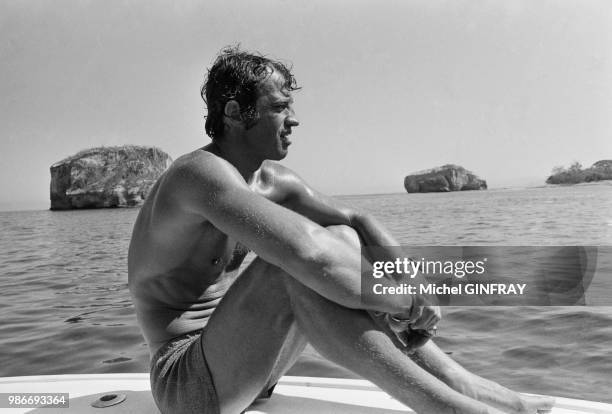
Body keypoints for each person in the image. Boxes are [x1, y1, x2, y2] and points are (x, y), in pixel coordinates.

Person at [128, 46, 554, 414]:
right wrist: (405, 302)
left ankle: (461, 384)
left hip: (252, 365)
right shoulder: (198, 176)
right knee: (294, 266)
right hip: (186, 385)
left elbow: (356, 222)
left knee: (343, 241)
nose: (293, 120)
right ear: (236, 113)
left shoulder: (272, 181)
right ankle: (448, 406)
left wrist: (414, 282)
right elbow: (309, 255)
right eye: (279, 107)